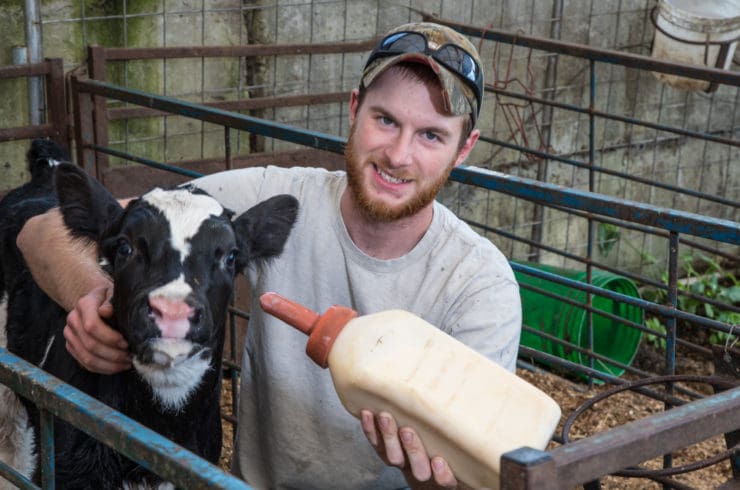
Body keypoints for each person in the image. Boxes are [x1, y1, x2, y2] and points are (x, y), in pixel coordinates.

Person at [18, 22, 522, 489]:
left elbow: (476, 470)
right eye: (385, 120)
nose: (398, 155)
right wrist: (95, 300)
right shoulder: (274, 195)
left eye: (431, 135)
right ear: (353, 110)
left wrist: (435, 478)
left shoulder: (481, 289)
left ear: (464, 149)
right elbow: (39, 233)